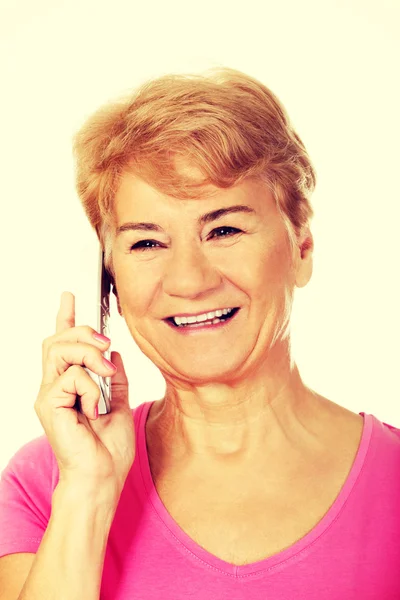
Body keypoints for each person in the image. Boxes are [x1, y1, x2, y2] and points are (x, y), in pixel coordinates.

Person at [0, 67, 399, 600]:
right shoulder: (48, 481)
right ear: (109, 280)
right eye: (146, 243)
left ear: (302, 250)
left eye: (225, 229)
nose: (189, 280)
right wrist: (88, 495)